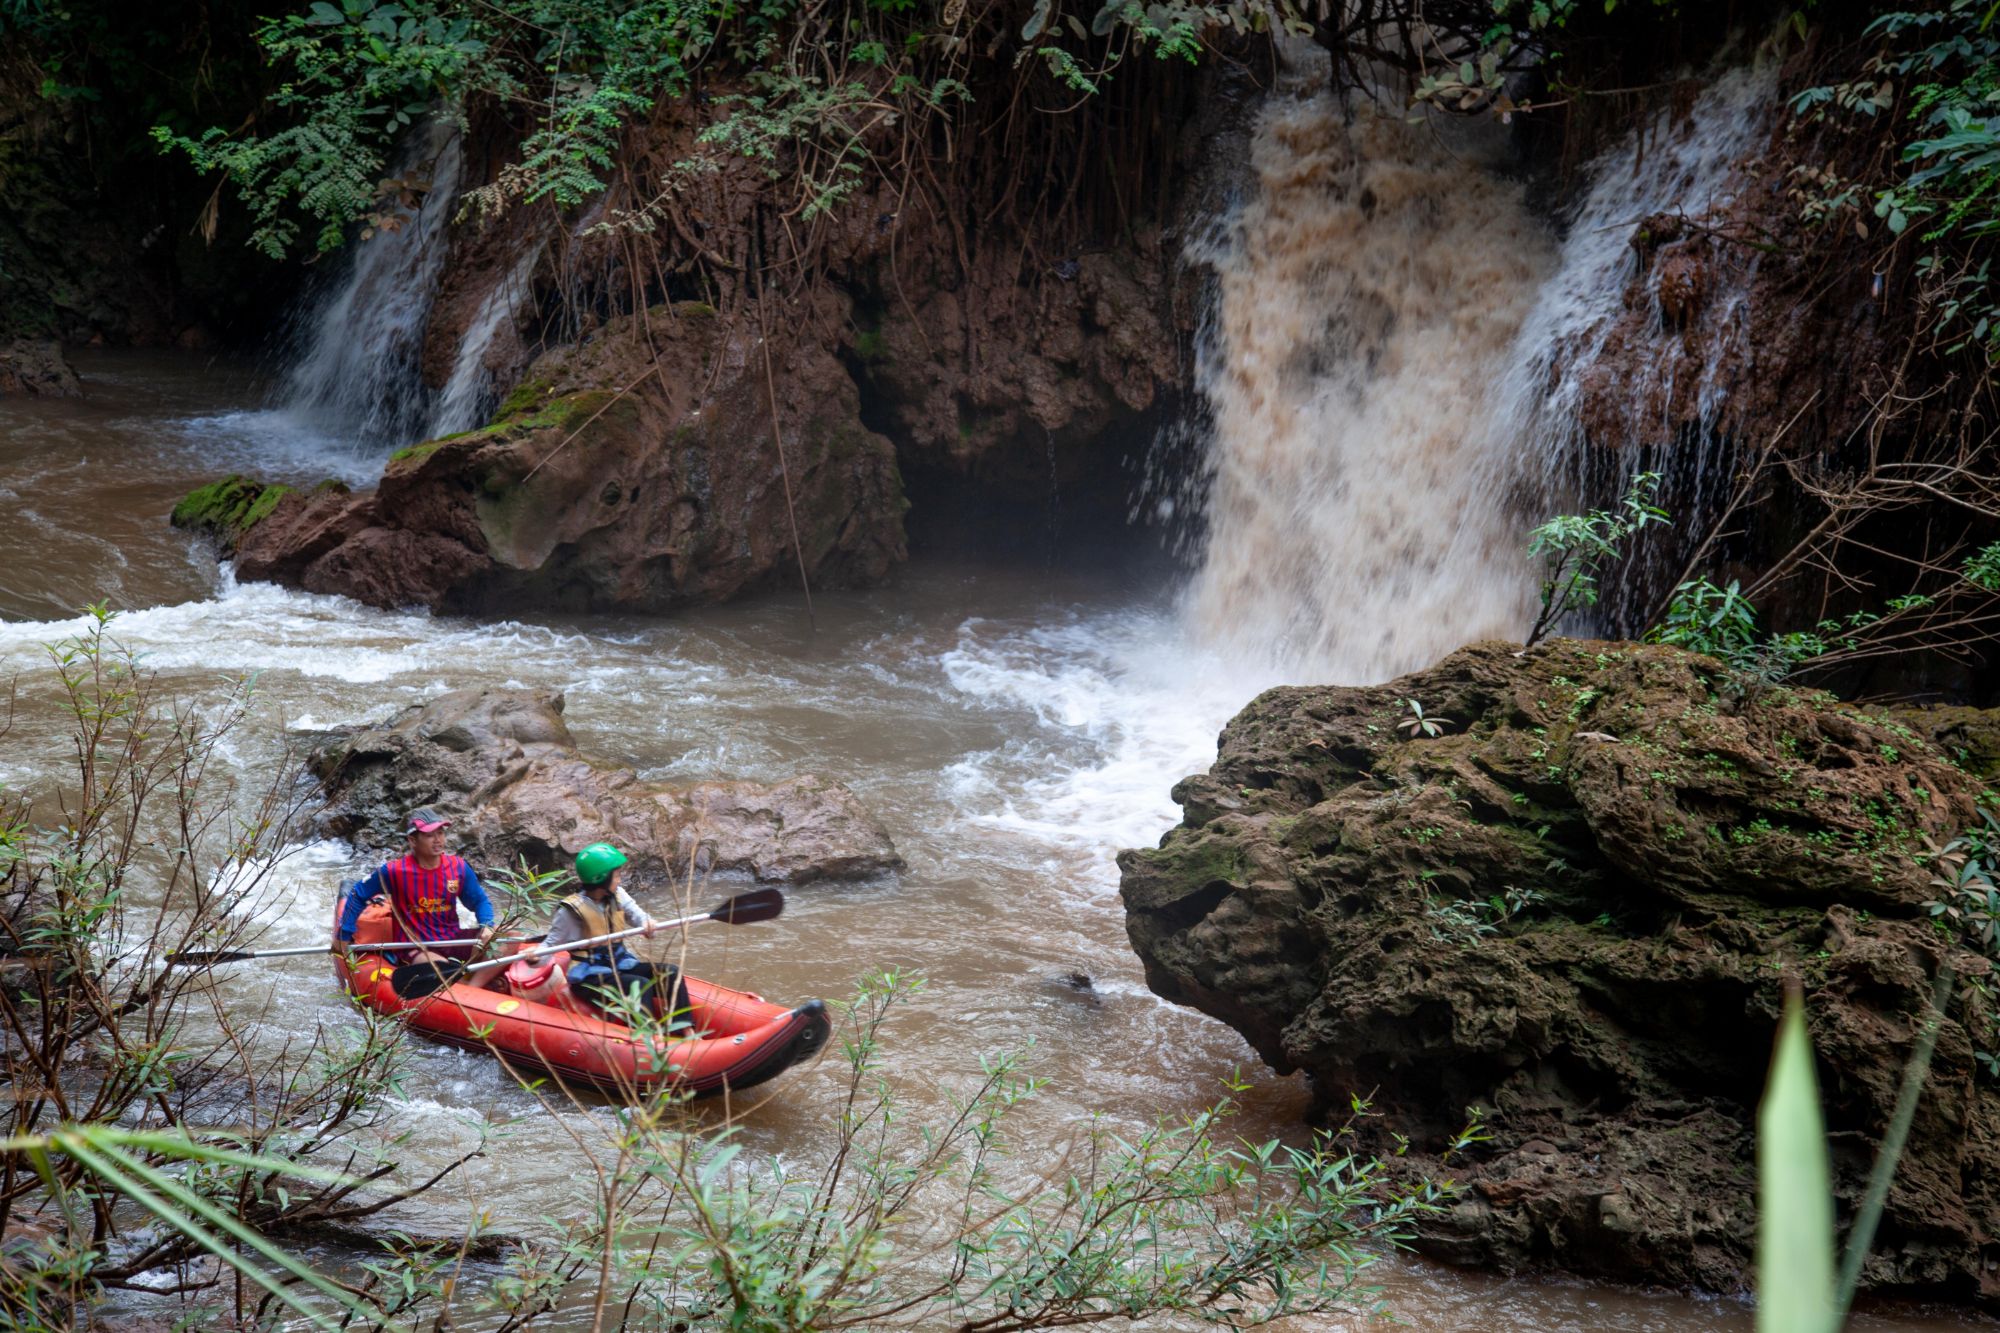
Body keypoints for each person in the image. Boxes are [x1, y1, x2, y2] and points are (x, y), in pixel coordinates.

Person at [333, 808, 501, 987]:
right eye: (430, 835)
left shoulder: (458, 867)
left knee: (508, 937)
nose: (438, 840)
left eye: (441, 833)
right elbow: (358, 894)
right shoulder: (395, 871)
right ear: (412, 840)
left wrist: (487, 926)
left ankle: (473, 988)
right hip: (416, 947)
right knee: (441, 969)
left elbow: (479, 901)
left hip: (453, 939)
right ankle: (466, 983)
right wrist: (343, 935)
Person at [544, 842, 685, 1025]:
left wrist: (647, 924)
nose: (619, 880)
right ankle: (646, 1039)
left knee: (671, 973)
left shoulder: (619, 895)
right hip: (590, 977)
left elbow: (638, 916)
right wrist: (533, 958)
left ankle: (686, 1030)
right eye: (617, 875)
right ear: (601, 879)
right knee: (639, 985)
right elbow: (550, 945)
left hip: (620, 964)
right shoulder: (570, 911)